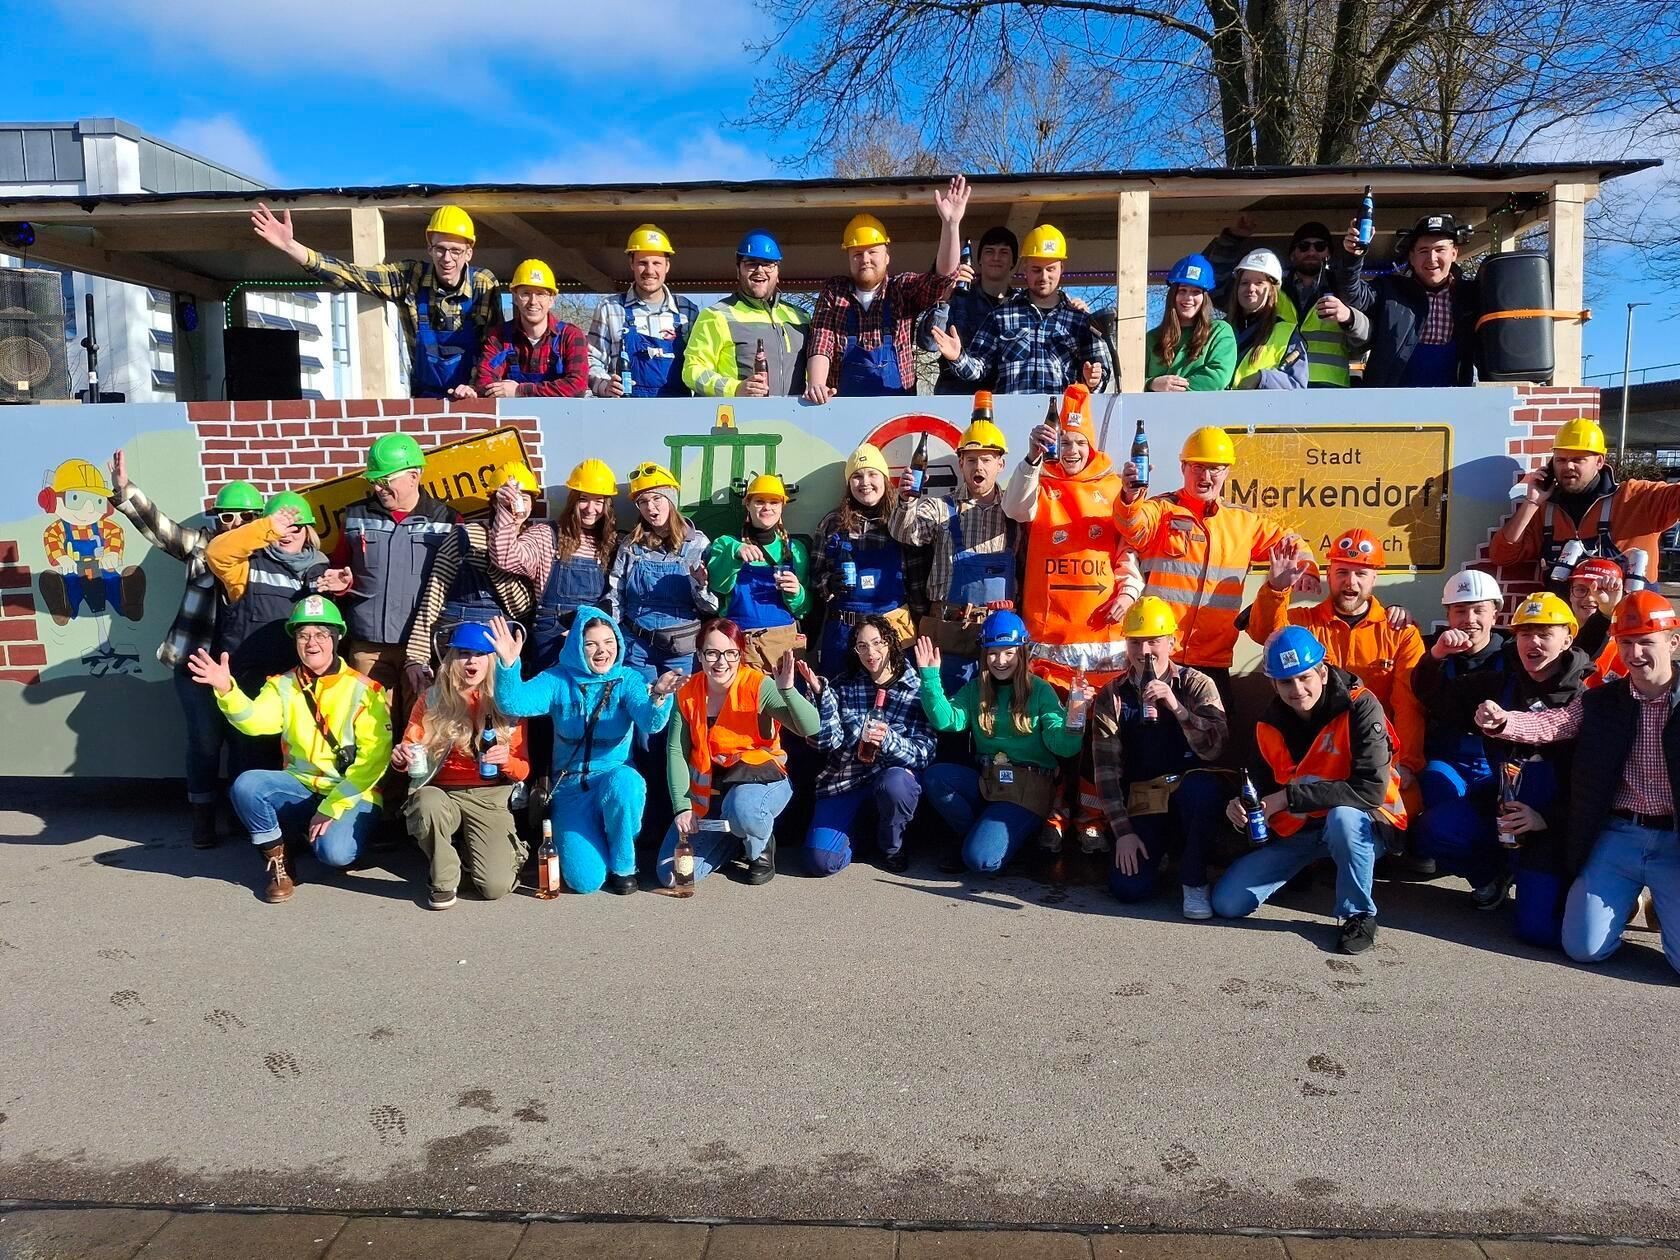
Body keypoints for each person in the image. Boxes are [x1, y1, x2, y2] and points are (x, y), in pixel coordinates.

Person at [1474, 590, 1680, 974]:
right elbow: (1554, 723)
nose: (1635, 654)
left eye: (1646, 642)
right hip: (1619, 833)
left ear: (1673, 641)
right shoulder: (1602, 701)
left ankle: (1661, 905)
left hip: (1674, 841)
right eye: (1626, 643)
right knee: (1584, 948)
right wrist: (1505, 722)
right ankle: (1631, 900)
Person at [1211, 626, 1408, 955]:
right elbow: (1259, 787)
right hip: (1302, 828)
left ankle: (1358, 914)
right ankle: (1303, 870)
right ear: (1272, 683)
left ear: (1323, 671)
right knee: (1227, 903)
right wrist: (1241, 808)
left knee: (1343, 818)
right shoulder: (1268, 723)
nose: (1297, 689)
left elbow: (1371, 790)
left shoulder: (1361, 706)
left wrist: (1287, 798)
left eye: (1305, 677)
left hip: (1366, 823)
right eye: (1286, 682)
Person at [187, 596, 392, 903]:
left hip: (352, 794)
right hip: (301, 784)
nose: (312, 643)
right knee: (247, 785)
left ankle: (332, 836)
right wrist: (227, 690)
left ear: (336, 637)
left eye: (321, 634)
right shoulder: (282, 684)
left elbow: (374, 761)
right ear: (295, 640)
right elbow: (254, 722)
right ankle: (279, 863)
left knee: (335, 855)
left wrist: (332, 807)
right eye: (303, 634)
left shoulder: (365, 690)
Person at [1413, 593, 1589, 939]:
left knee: (1537, 931)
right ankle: (1493, 875)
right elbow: (1432, 694)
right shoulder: (1499, 683)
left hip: (1553, 828)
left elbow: (1593, 787)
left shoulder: (1584, 696)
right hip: (1502, 805)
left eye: (1544, 633)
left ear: (1567, 639)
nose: (1532, 643)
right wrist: (1435, 657)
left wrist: (1546, 819)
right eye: (1524, 634)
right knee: (1433, 829)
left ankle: (1586, 891)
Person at [110, 451, 262, 847]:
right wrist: (126, 491)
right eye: (226, 516)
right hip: (196, 662)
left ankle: (244, 813)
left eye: (244, 517)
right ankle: (203, 815)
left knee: (248, 742)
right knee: (205, 741)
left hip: (245, 669)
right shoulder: (201, 548)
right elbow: (162, 529)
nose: (234, 524)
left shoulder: (267, 559)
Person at [489, 611, 681, 896]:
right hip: (570, 789)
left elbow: (650, 723)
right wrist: (507, 664)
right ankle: (602, 836)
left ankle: (624, 865)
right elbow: (514, 703)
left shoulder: (627, 679)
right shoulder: (558, 679)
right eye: (591, 644)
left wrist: (660, 696)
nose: (603, 650)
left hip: (613, 778)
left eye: (609, 641)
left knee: (627, 784)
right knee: (585, 882)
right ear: (578, 647)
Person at [1246, 529, 1426, 814]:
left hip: (1377, 754)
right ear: (1329, 575)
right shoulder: (1304, 623)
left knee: (1412, 811)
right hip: (1318, 755)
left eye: (1360, 573)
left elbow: (1408, 705)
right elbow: (1265, 635)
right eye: (1342, 572)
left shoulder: (1400, 633)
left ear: (1374, 579)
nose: (1350, 582)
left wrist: (1408, 763)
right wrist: (1276, 589)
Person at [250, 203, 497, 399]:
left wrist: (476, 386)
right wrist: (291, 247)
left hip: (472, 398)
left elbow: (494, 348)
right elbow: (353, 276)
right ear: (429, 248)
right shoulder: (409, 277)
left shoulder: (483, 284)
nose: (447, 258)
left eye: (455, 250)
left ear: (468, 253)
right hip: (425, 400)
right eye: (440, 249)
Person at [1116, 426, 1291, 697]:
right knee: (1152, 734)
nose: (1206, 476)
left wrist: (1308, 571)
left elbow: (1288, 543)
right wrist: (1130, 496)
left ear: (1227, 471)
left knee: (1212, 737)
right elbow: (1132, 526)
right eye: (1198, 467)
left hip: (1213, 663)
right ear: (1183, 467)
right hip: (1160, 657)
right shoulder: (1161, 509)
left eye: (1215, 469)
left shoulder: (1243, 522)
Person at [914, 611, 1084, 873]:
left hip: (1026, 792)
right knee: (937, 777)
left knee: (980, 861)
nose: (1000, 660)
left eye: (1008, 652)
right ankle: (980, 835)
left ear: (1022, 652)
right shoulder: (976, 689)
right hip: (990, 783)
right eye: (993, 653)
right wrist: (930, 678)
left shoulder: (1040, 690)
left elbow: (1064, 746)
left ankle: (998, 839)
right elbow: (948, 721)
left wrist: (1074, 719)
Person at [1091, 597, 1229, 917]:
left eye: (1153, 641)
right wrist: (1123, 832)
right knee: (1129, 889)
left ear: (1172, 642)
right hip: (1145, 799)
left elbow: (1215, 747)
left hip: (1189, 794)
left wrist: (1177, 709)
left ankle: (1194, 882)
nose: (1144, 652)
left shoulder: (1196, 684)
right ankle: (1160, 853)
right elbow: (1106, 770)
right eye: (1136, 642)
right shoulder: (1112, 695)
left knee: (1204, 791)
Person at [658, 621, 819, 887]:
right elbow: (676, 751)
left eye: (730, 653)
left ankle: (759, 846)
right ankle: (734, 840)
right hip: (709, 800)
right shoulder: (686, 692)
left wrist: (788, 691)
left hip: (759, 786)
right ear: (699, 655)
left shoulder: (758, 685)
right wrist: (682, 807)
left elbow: (810, 727)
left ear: (739, 655)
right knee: (674, 877)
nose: (721, 662)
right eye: (712, 653)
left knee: (743, 809)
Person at [392, 621, 529, 909]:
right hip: (441, 792)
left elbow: (523, 770)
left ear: (491, 660)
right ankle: (443, 880)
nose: (472, 660)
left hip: (490, 796)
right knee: (426, 804)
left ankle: (471, 854)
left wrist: (506, 762)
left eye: (480, 654)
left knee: (494, 887)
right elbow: (411, 751)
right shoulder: (431, 699)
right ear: (452, 658)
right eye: (465, 653)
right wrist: (401, 760)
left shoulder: (510, 703)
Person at [332, 433, 459, 746]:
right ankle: (379, 795)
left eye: (385, 479)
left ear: (414, 475)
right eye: (373, 481)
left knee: (421, 728)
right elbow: (337, 567)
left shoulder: (447, 519)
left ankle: (414, 795)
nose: (377, 488)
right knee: (372, 729)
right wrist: (338, 583)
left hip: (422, 647)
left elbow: (455, 584)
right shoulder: (355, 516)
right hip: (368, 645)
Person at [803, 175, 968, 402]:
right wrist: (817, 385)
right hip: (842, 411)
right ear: (848, 257)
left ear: (887, 257)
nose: (865, 259)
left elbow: (940, 279)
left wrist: (951, 225)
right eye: (857, 253)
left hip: (897, 414)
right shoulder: (835, 291)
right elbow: (822, 341)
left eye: (872, 252)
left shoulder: (901, 290)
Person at [890, 408, 1019, 691]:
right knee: (947, 722)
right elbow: (904, 533)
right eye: (971, 460)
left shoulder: (1015, 511)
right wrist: (906, 501)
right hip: (947, 632)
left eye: (987, 459)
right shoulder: (940, 506)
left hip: (1001, 638)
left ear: (1001, 464)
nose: (979, 467)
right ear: (960, 464)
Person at [799, 615, 936, 875]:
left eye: (878, 643)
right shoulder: (844, 685)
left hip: (890, 781)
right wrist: (820, 696)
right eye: (862, 646)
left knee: (896, 784)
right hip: (846, 780)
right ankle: (860, 835)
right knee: (820, 862)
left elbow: (924, 754)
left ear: (891, 643)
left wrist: (889, 740)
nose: (870, 652)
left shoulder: (917, 689)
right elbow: (825, 743)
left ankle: (892, 846)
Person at [1488, 417, 1680, 583]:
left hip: (1625, 622)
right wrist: (1531, 503)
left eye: (1578, 459)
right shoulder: (1545, 510)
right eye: (1560, 460)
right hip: (1567, 622)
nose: (1568, 466)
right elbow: (1503, 556)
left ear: (1599, 462)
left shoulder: (1639, 497)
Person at [1409, 568, 1511, 878]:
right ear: (1448, 614)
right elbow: (1419, 683)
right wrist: (1436, 654)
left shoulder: (1514, 652)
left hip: (1498, 763)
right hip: (1448, 759)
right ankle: (1484, 875)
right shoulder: (1434, 649)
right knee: (1430, 818)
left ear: (1495, 612)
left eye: (1479, 609)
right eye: (1460, 610)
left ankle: (1498, 865)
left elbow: (1573, 654)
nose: (1469, 619)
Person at [926, 225, 1113, 394]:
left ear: (1062, 268)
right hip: (1009, 420)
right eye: (1036, 269)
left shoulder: (1080, 321)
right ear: (1024, 268)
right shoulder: (1001, 316)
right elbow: (978, 369)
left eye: (1050, 269)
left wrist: (1094, 380)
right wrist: (958, 356)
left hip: (1060, 421)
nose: (1043, 276)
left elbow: (1102, 372)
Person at [404, 462, 536, 698]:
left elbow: (521, 607)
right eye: (508, 499)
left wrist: (495, 565)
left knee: (497, 715)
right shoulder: (465, 535)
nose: (517, 507)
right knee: (454, 715)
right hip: (457, 642)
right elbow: (435, 593)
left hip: (499, 643)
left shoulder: (531, 542)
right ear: (495, 502)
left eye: (524, 499)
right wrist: (416, 656)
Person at [1202, 217, 1369, 387]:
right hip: (1279, 388)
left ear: (1329, 254)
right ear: (1292, 255)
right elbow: (1219, 289)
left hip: (1329, 390)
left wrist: (1350, 318)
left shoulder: (1343, 289)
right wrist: (1232, 239)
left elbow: (1365, 339)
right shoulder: (1271, 290)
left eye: (1320, 246)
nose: (1311, 252)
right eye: (1304, 247)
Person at [489, 459, 618, 676]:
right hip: (552, 635)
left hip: (592, 637)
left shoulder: (610, 543)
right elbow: (505, 558)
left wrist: (585, 629)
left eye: (599, 501)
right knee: (548, 703)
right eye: (583, 500)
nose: (591, 509)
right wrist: (506, 512)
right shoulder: (545, 535)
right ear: (572, 500)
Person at [206, 493, 342, 698]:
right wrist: (267, 528)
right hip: (251, 683)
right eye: (281, 528)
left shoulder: (323, 568)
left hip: (304, 684)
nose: (287, 535)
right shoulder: (249, 565)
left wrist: (342, 589)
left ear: (307, 532)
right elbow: (216, 553)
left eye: (295, 527)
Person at [605, 461, 718, 683]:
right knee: (641, 708)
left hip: (682, 651)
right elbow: (615, 594)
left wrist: (701, 586)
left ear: (671, 500)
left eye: (657, 498)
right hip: (637, 647)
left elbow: (711, 607)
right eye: (643, 502)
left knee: (677, 712)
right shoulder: (630, 545)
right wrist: (610, 635)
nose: (650, 507)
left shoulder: (698, 544)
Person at [1336, 212, 1479, 387]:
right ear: (1411, 257)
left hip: (1452, 403)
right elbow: (1352, 295)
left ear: (1454, 253)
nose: (1432, 258)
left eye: (1440, 250)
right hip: (1392, 404)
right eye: (1423, 251)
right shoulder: (1390, 290)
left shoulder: (1471, 296)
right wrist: (1353, 258)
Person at [810, 443, 912, 676]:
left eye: (872, 474)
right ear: (848, 484)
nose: (865, 482)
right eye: (856, 476)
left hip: (892, 632)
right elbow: (815, 578)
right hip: (843, 634)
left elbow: (917, 581)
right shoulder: (832, 523)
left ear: (885, 479)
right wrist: (829, 584)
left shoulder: (901, 521)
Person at [682, 230, 809, 398]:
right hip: (740, 420)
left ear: (777, 271)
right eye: (751, 263)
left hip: (791, 421)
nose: (760, 270)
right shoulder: (716, 315)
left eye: (768, 263)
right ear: (738, 270)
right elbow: (693, 371)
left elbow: (813, 372)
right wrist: (734, 389)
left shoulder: (802, 317)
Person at [705, 474, 810, 673]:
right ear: (748, 504)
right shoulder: (726, 544)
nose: (767, 508)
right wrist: (735, 553)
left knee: (782, 704)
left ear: (782, 507)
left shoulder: (795, 550)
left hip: (783, 647)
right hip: (738, 644)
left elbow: (803, 610)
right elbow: (717, 585)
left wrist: (797, 593)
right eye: (759, 501)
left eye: (774, 502)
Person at [588, 224, 700, 398]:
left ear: (667, 266)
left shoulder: (687, 311)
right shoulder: (609, 309)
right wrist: (604, 385)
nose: (649, 270)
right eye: (642, 263)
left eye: (656, 263)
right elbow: (591, 359)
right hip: (625, 414)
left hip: (677, 414)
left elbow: (699, 364)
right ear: (631, 263)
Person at [920, 225, 1019, 395]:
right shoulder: (957, 297)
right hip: (954, 396)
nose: (996, 257)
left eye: (1004, 252)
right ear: (978, 259)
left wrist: (1075, 306)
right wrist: (943, 300)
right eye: (989, 251)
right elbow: (928, 343)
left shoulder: (1022, 306)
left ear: (1013, 261)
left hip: (1003, 402)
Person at [471, 259, 589, 398]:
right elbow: (484, 382)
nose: (533, 302)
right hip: (513, 419)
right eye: (526, 293)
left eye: (540, 294)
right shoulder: (499, 337)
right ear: (515, 297)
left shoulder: (570, 336)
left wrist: (519, 391)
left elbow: (577, 386)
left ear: (552, 299)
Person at [1144, 255, 1237, 392]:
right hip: (1155, 412)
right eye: (1183, 290)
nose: (1188, 298)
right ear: (1173, 295)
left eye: (1196, 292)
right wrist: (1152, 384)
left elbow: (1218, 377)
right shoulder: (1151, 338)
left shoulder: (1219, 332)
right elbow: (1132, 380)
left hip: (1204, 412)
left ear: (1204, 298)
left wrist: (1171, 389)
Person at [1224, 248, 1309, 390]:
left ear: (1272, 290)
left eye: (1259, 283)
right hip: (1218, 410)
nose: (1251, 288)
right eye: (1244, 282)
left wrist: (1262, 379)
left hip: (1261, 411)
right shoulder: (1219, 329)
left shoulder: (1287, 333)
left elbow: (1297, 385)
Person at [1565, 557, 1627, 686]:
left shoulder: (1627, 642)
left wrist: (1607, 610)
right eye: (1581, 589)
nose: (1590, 597)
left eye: (1601, 590)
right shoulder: (1552, 635)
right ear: (1570, 594)